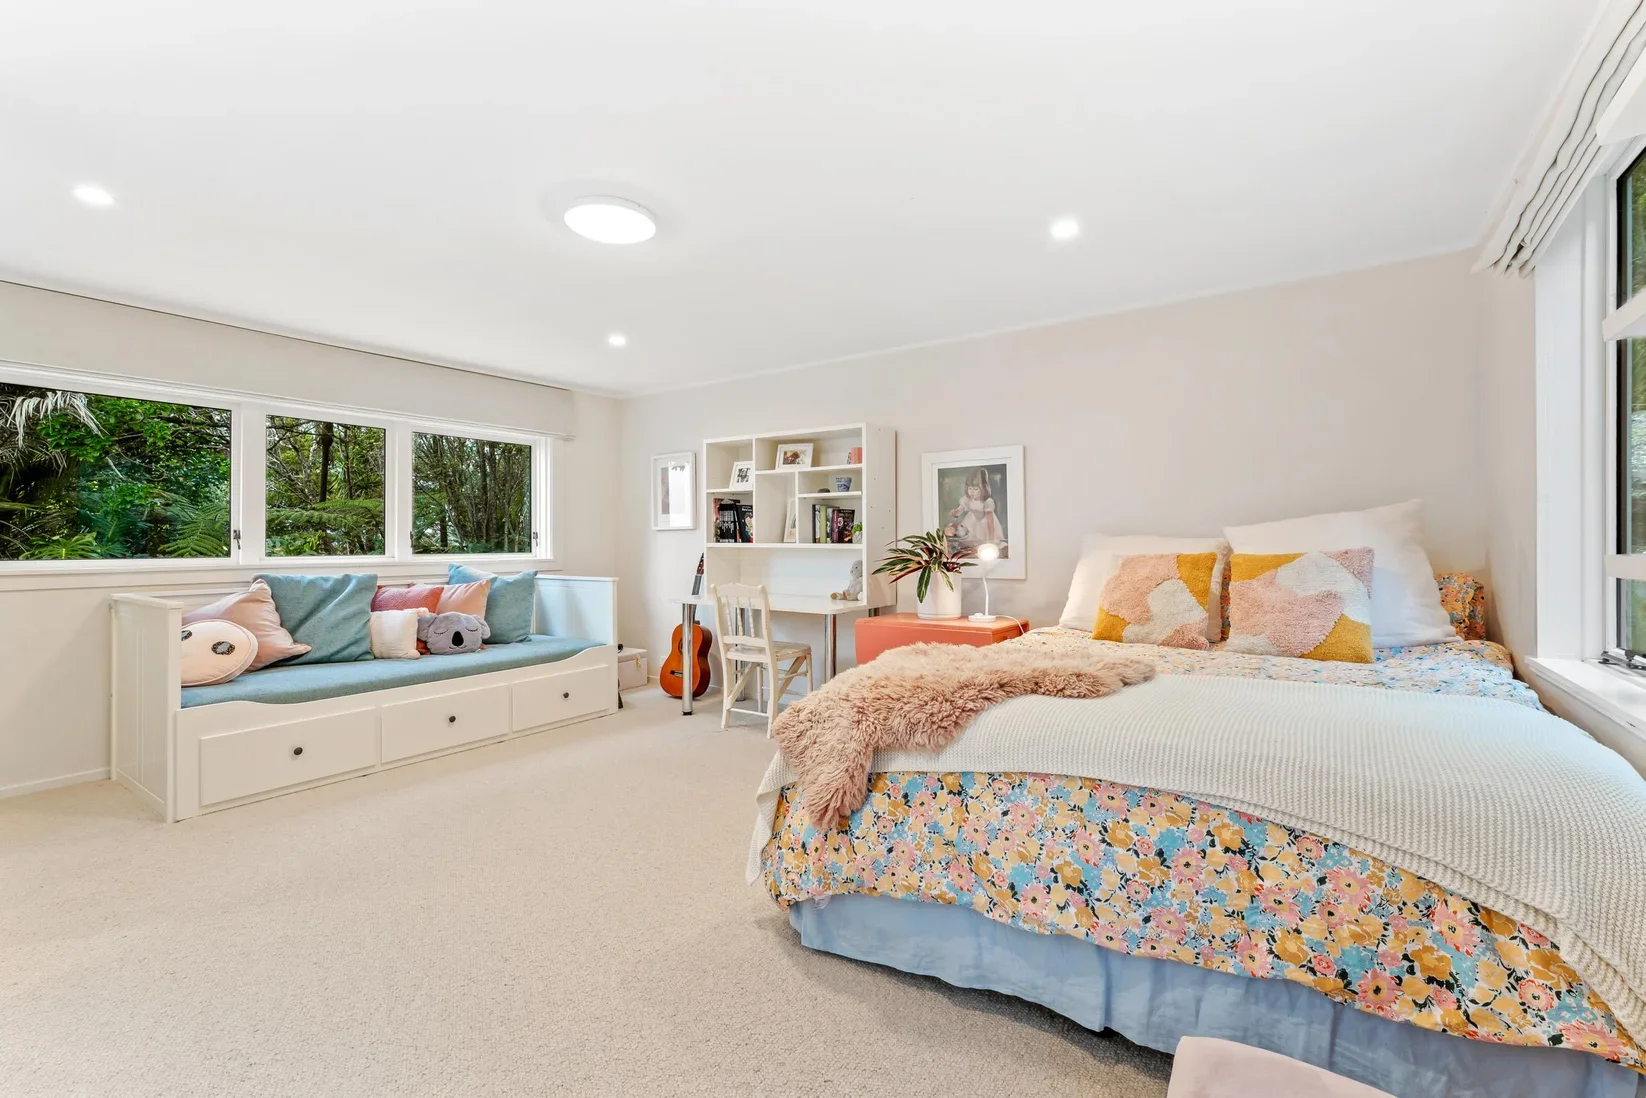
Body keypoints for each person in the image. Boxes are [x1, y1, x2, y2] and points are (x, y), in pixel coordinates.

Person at [944, 467, 1005, 553]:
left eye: (975, 489)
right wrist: (955, 512)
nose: (972, 492)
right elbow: (960, 509)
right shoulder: (967, 499)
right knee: (969, 541)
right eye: (969, 488)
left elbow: (990, 522)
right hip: (972, 521)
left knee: (985, 544)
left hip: (985, 523)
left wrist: (991, 539)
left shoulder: (987, 502)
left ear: (983, 488)